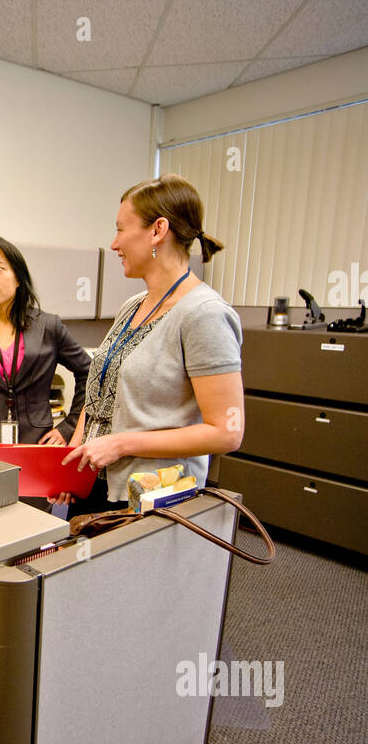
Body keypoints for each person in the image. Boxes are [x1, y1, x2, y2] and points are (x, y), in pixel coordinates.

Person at [57, 174, 244, 516]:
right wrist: (71, 460)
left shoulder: (204, 315)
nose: (114, 244)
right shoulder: (134, 305)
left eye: (120, 229)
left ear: (158, 230)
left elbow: (227, 432)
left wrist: (121, 443)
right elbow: (101, 390)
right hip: (95, 483)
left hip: (150, 496)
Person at [0, 237, 91, 501]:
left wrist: (69, 427)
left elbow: (89, 373)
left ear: (18, 277)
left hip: (36, 453)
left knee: (33, 534)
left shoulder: (49, 327)